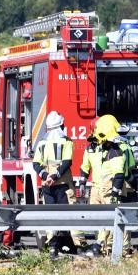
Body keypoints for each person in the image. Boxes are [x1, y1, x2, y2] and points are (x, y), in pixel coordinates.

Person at [32, 111, 82, 258]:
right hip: (63, 185)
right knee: (70, 215)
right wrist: (55, 176)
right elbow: (67, 162)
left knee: (51, 216)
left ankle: (53, 246)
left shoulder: (41, 143)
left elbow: (36, 164)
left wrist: (45, 176)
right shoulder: (66, 141)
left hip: (47, 186)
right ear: (61, 125)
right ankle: (77, 246)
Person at [84, 114, 128, 258]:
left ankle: (109, 248)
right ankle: (105, 248)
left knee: (113, 219)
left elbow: (120, 172)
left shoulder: (114, 150)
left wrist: (115, 192)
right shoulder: (104, 148)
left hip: (110, 186)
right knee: (104, 219)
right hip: (102, 187)